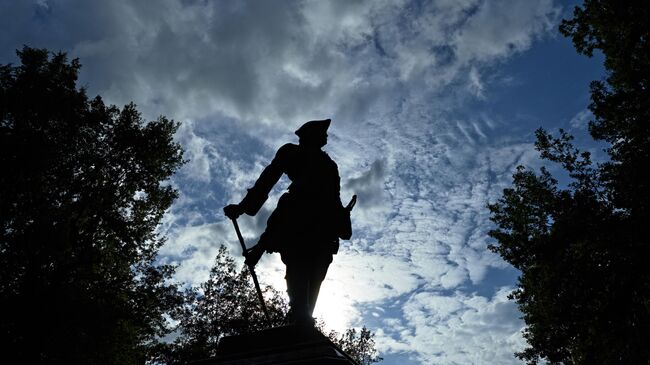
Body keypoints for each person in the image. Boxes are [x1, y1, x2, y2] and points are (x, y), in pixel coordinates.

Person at [224, 119, 353, 326]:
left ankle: (302, 318)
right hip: (298, 213)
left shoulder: (330, 165)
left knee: (317, 271)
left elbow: (335, 197)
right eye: (323, 132)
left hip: (324, 223)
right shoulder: (290, 152)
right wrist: (243, 207)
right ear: (309, 135)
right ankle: (299, 314)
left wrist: (342, 220)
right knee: (299, 263)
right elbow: (268, 178)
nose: (327, 136)